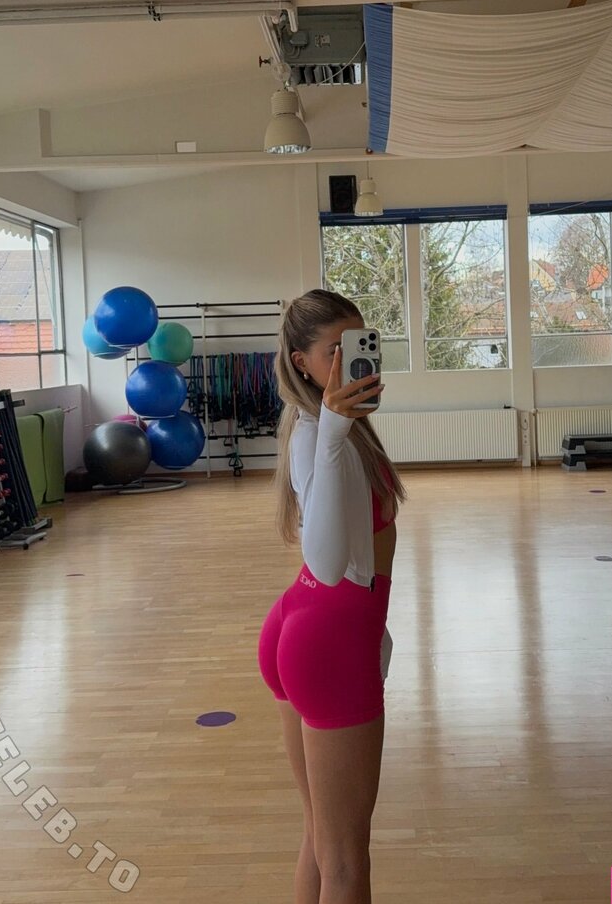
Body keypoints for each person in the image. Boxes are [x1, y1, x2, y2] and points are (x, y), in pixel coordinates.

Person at [258, 288, 407, 904]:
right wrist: (337, 431)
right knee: (346, 860)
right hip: (329, 640)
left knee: (323, 835)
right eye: (334, 351)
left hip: (313, 624)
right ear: (302, 362)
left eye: (360, 344)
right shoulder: (320, 433)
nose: (351, 361)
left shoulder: (325, 428)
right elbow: (323, 561)